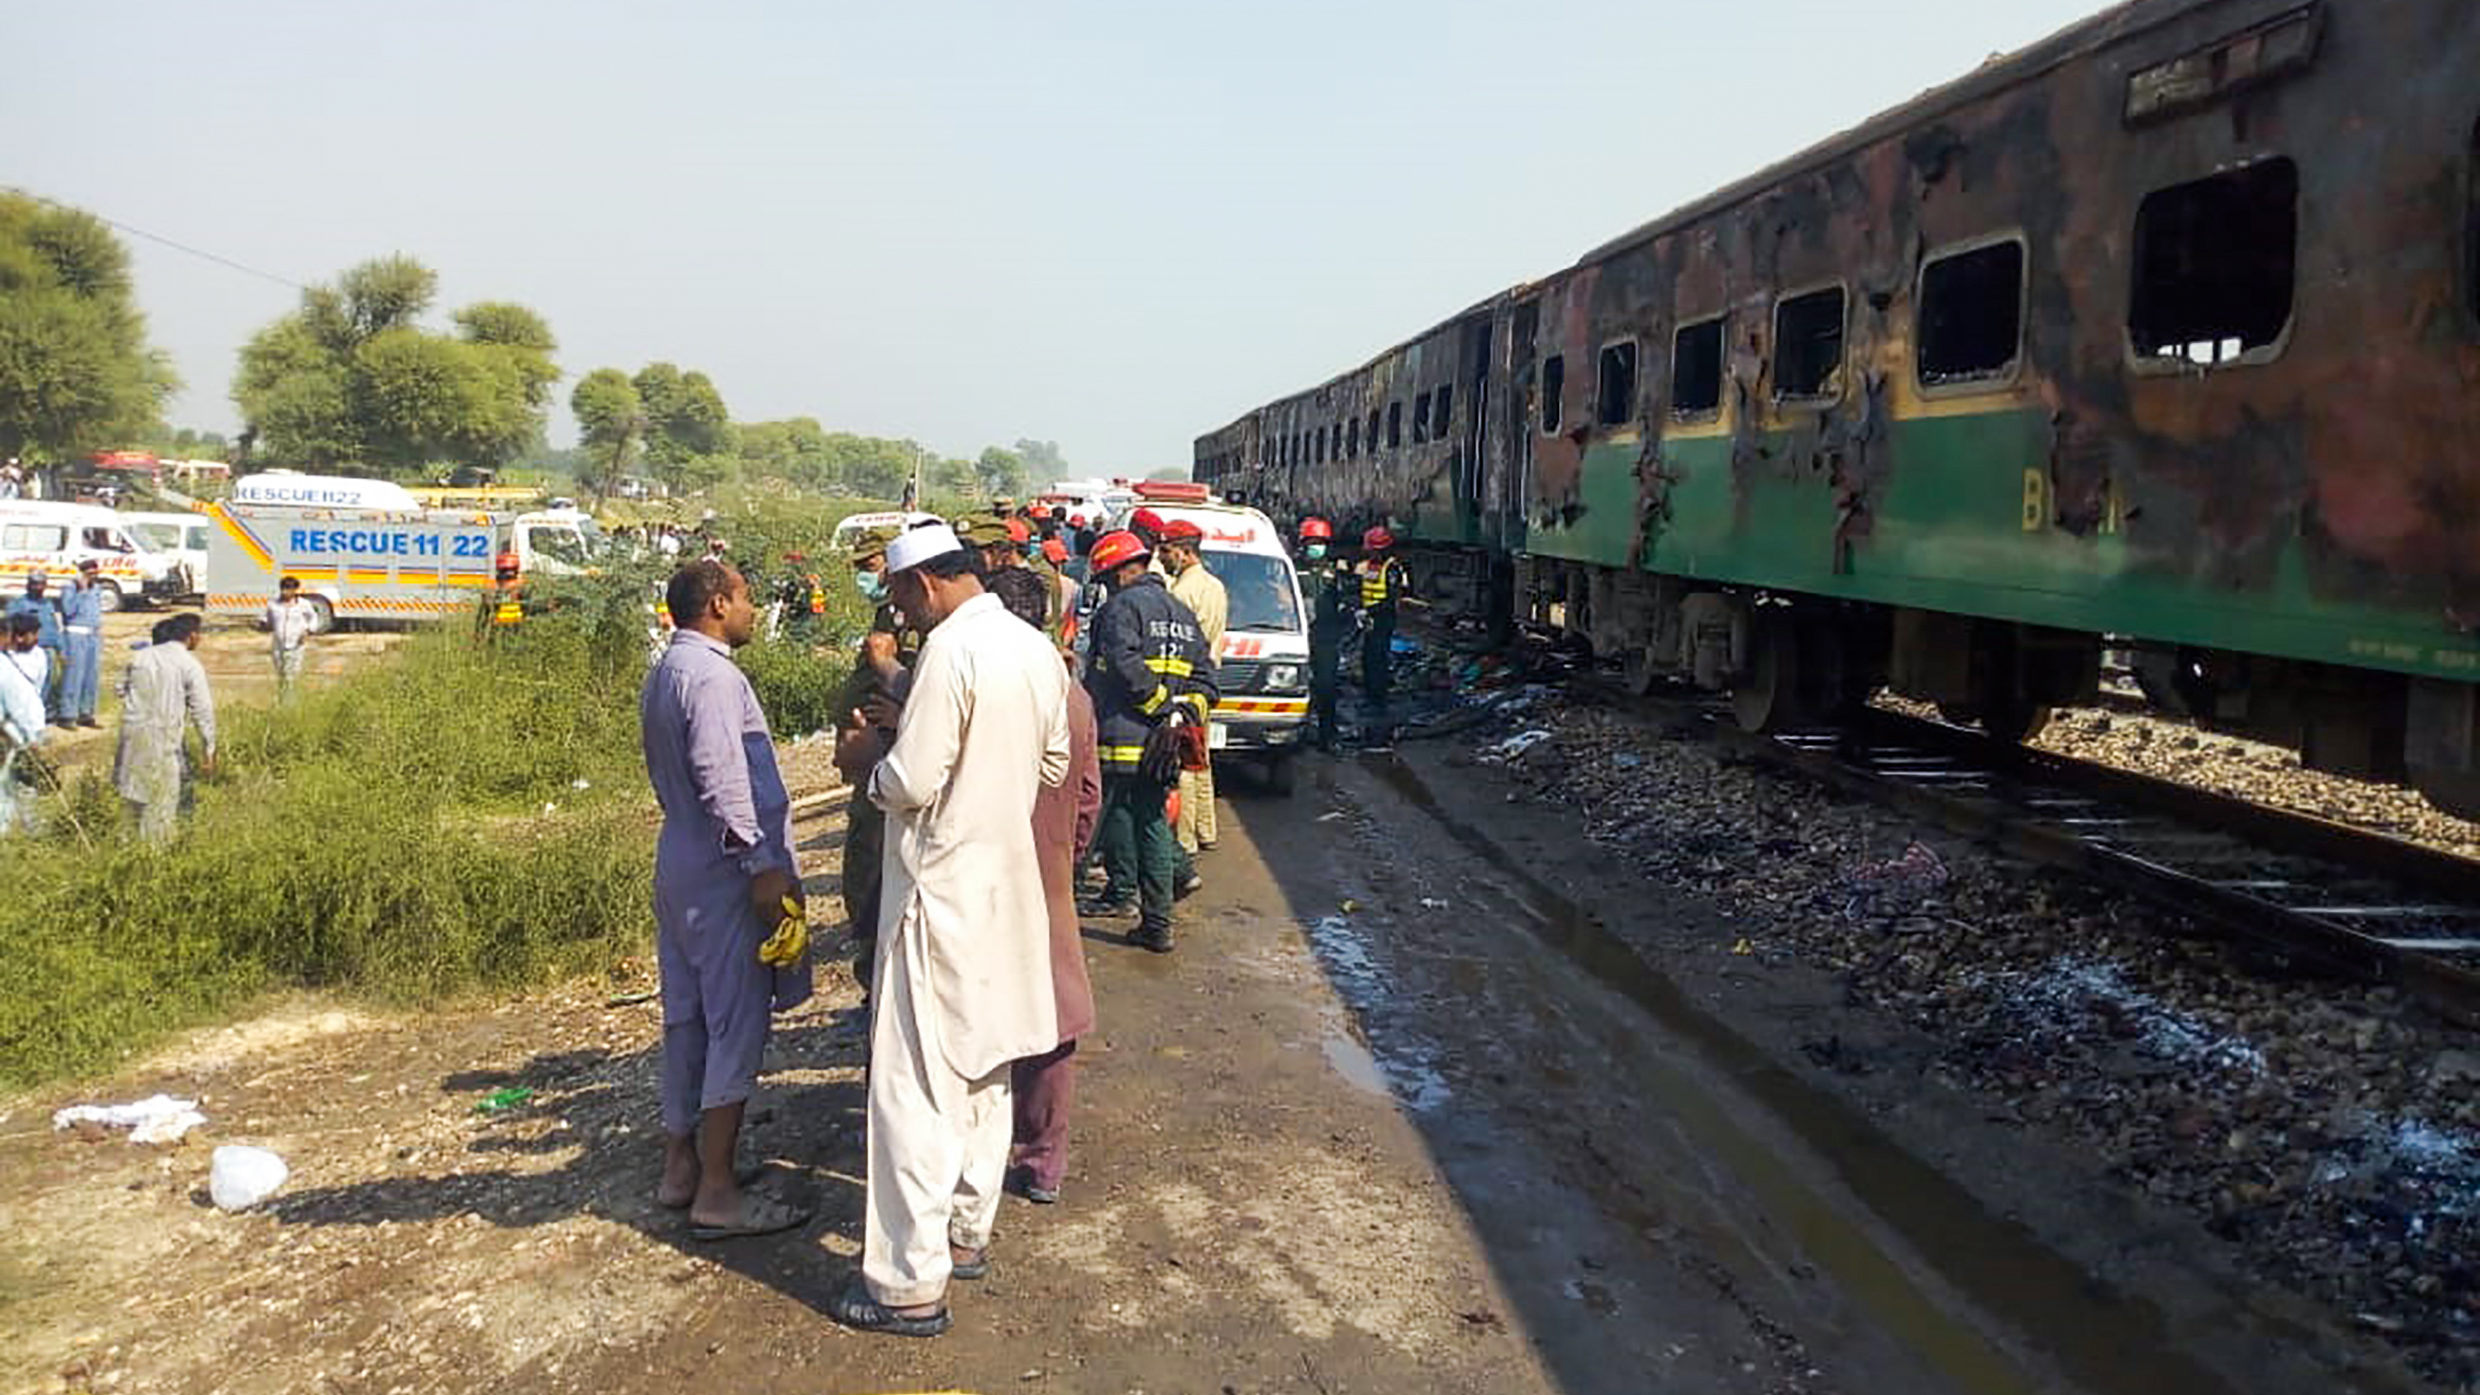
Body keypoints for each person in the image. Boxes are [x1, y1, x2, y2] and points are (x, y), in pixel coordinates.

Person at [828, 523, 1070, 1338]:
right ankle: (967, 1232)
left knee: (913, 1087)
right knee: (984, 1067)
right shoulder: (1034, 649)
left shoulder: (949, 652)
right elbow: (1051, 765)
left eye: (899, 597)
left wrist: (871, 761)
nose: (901, 614)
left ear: (924, 585)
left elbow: (912, 778)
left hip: (939, 894)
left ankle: (907, 1283)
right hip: (1006, 889)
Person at [639, 559, 813, 1241]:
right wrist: (762, 864)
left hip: (682, 857)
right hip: (722, 869)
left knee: (686, 1017)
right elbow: (720, 775)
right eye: (744, 598)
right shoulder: (713, 677)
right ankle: (717, 1187)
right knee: (734, 1020)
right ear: (718, 604)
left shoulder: (668, 669)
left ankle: (679, 1164)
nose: (751, 609)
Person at [986, 567, 1099, 1207]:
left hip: (983, 877)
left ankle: (973, 1149)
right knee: (1053, 1025)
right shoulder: (1071, 696)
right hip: (1048, 875)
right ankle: (1041, 1160)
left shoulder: (976, 685)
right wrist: (1065, 859)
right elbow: (1088, 798)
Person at [1078, 529, 1215, 953]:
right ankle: (1153, 917)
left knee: (1121, 816)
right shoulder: (1181, 612)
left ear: (1119, 573)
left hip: (1122, 735)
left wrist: (1159, 705)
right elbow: (1207, 682)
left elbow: (1120, 663)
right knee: (1146, 819)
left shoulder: (1121, 608)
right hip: (1163, 743)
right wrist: (1179, 712)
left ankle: (1138, 910)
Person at [835, 526, 915, 996]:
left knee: (873, 874)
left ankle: (877, 985)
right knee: (862, 869)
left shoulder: (914, 619)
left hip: (893, 756)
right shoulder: (888, 612)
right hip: (872, 754)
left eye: (871, 566)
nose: (867, 577)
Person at [114, 613, 215, 844]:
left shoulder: (139, 657)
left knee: (131, 794)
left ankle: (125, 847)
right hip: (164, 737)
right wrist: (209, 747)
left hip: (132, 735)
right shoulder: (189, 664)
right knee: (161, 802)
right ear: (192, 636)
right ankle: (153, 859)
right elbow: (203, 710)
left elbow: (120, 689)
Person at [1160, 519, 1228, 858]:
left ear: (1185, 553)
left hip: (1184, 686)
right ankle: (1207, 829)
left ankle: (1185, 839)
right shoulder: (1215, 586)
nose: (1163, 558)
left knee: (1184, 763)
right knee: (1202, 759)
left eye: (1167, 551)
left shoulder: (1180, 594)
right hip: (1207, 683)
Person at [1297, 518, 1350, 750]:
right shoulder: (1293, 568)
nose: (1317, 546)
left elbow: (1345, 599)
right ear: (1304, 543)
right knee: (1298, 685)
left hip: (1327, 637)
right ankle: (1299, 729)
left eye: (1321, 542)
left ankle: (1327, 735)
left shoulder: (1335, 570)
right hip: (1301, 635)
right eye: (1313, 542)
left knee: (1327, 687)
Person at [0, 615, 48, 835]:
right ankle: (28, 830)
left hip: (23, 728)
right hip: (16, 732)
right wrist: (30, 739)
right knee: (14, 784)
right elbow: (15, 704)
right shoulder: (3, 665)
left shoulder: (35, 657)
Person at [1358, 526, 1408, 711]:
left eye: (1372, 549)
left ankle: (1379, 702)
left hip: (1382, 619)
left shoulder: (1392, 569)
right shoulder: (1371, 566)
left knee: (1378, 660)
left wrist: (1370, 611)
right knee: (1368, 659)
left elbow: (1391, 599)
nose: (1369, 552)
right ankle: (1370, 696)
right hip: (1370, 619)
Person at [5, 574, 63, 721]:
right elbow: (10, 626)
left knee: (46, 684)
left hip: (48, 649)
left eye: (42, 584)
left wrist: (60, 648)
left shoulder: (48, 604)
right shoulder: (18, 604)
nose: (38, 587)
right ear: (28, 585)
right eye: (35, 584)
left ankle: (42, 714)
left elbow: (53, 627)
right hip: (28, 650)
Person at [57, 559, 105, 729]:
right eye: (89, 574)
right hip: (75, 633)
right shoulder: (70, 588)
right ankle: (67, 714)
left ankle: (86, 712)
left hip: (93, 634)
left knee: (91, 675)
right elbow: (68, 610)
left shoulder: (97, 589)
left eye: (95, 574)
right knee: (74, 674)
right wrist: (81, 591)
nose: (92, 577)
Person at [265, 577, 317, 697]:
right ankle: (282, 700)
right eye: (283, 588)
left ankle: (291, 703)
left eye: (288, 588)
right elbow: (267, 619)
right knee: (281, 675)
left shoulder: (303, 604)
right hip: (278, 645)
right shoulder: (273, 604)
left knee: (292, 676)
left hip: (296, 645)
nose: (285, 592)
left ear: (295, 590)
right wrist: (264, 624)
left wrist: (308, 630)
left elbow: (313, 617)